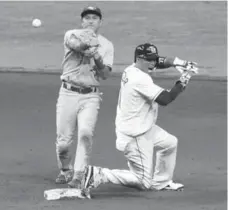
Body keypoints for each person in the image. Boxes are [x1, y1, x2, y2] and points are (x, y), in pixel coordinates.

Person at [81, 43, 198, 198]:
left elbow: (162, 61)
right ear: (140, 59)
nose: (153, 63)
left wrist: (181, 63)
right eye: (149, 60)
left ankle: (162, 182)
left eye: (153, 59)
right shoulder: (139, 79)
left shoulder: (132, 68)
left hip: (144, 128)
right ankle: (99, 174)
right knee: (143, 182)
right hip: (135, 135)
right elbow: (165, 99)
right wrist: (185, 77)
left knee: (169, 144)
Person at [55, 6, 114, 189]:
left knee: (86, 134)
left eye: (94, 18)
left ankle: (79, 174)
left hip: (91, 96)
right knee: (63, 143)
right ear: (82, 21)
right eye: (87, 17)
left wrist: (96, 57)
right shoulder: (71, 34)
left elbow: (104, 75)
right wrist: (87, 47)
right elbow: (75, 45)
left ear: (100, 22)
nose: (90, 21)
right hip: (68, 93)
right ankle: (66, 169)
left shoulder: (107, 45)